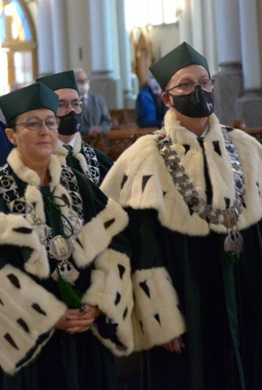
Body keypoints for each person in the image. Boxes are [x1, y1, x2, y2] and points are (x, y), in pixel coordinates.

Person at [101, 41, 262, 389]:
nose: (199, 91)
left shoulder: (247, 148)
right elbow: (140, 245)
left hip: (243, 287)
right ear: (167, 98)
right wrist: (159, 317)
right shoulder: (144, 156)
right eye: (186, 85)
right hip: (184, 293)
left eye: (204, 82)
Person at [0, 82, 133, 389]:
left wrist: (98, 302)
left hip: (84, 330)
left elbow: (115, 242)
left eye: (50, 122)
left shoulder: (77, 183)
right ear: (11, 135)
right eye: (33, 124)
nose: (45, 131)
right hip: (29, 338)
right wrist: (48, 314)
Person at [37, 70, 113, 185]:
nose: (71, 110)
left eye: (76, 104)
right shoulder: (36, 163)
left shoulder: (100, 161)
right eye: (61, 105)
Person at [75, 68, 112, 137]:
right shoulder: (70, 104)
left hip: (99, 141)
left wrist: (100, 129)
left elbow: (107, 121)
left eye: (85, 80)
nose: (84, 83)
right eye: (80, 81)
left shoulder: (99, 101)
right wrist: (88, 130)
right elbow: (70, 126)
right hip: (80, 142)